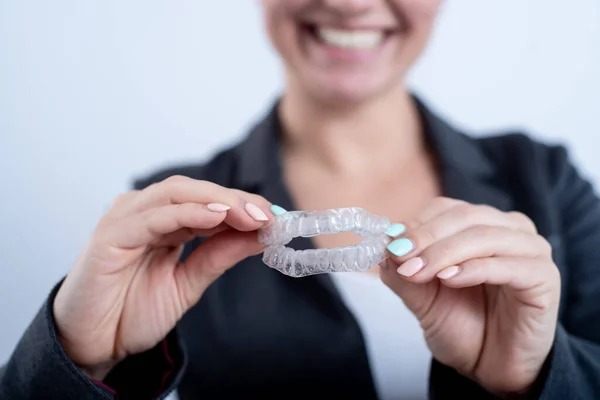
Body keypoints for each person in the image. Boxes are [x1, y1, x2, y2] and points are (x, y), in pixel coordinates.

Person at [2, 0, 600, 398]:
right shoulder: (170, 218)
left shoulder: (545, 180)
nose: (349, 3)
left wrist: (538, 377)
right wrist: (78, 362)